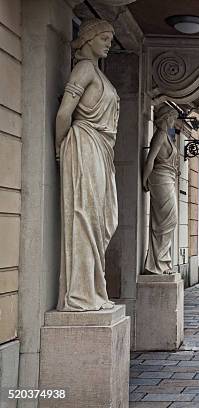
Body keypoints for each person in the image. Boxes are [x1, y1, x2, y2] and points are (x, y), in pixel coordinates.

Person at [55, 19, 119, 311]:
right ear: (89, 38)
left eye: (110, 38)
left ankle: (94, 288)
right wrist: (60, 147)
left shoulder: (97, 72)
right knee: (85, 216)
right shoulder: (83, 69)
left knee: (104, 219)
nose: (108, 42)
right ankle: (82, 293)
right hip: (84, 143)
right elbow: (63, 114)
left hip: (102, 149)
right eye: (104, 37)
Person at [142, 104, 179, 275]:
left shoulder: (167, 136)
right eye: (172, 117)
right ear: (165, 118)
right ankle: (158, 264)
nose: (174, 120)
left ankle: (162, 262)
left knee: (169, 221)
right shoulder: (161, 135)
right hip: (160, 179)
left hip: (168, 179)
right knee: (165, 222)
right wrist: (144, 180)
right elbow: (150, 160)